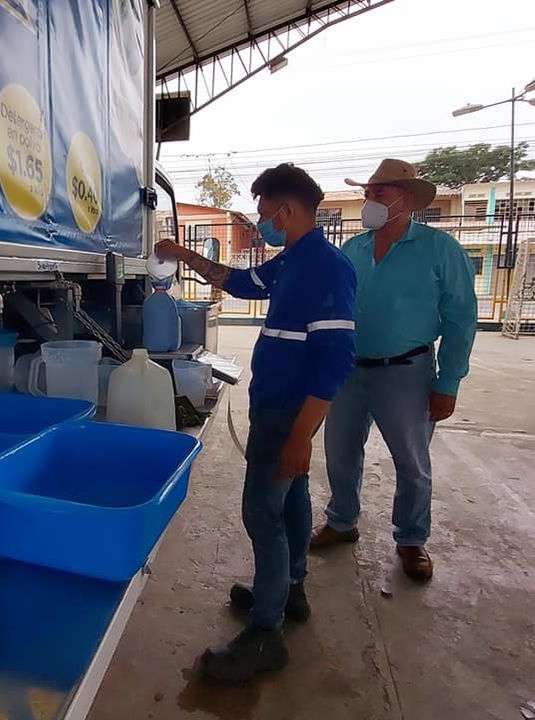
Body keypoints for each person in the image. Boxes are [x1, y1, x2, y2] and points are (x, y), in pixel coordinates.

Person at [155, 163, 356, 682]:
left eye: (264, 212)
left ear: (285, 211)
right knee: (292, 501)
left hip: (289, 413)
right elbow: (241, 283)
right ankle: (290, 592)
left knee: (262, 516)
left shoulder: (326, 268)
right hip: (276, 407)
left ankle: (266, 634)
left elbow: (335, 359)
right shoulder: (292, 261)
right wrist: (183, 255)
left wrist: (300, 435)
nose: (262, 221)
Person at [311, 159, 478, 581]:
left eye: (379, 193)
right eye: (367, 192)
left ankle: (411, 540)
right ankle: (341, 520)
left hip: (407, 371)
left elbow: (461, 317)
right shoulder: (353, 249)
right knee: (340, 452)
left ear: (405, 199)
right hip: (348, 369)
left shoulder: (440, 249)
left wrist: (448, 381)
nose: (370, 200)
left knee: (411, 461)